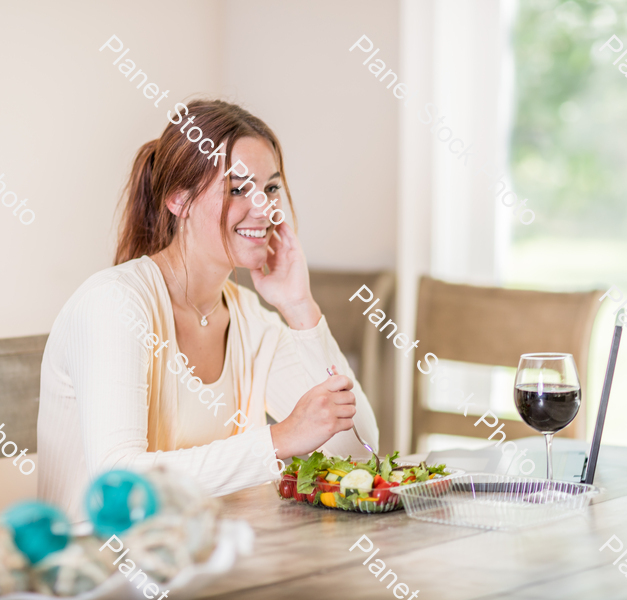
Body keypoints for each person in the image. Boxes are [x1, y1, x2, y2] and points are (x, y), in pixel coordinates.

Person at [37, 99, 379, 519]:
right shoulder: (115, 304)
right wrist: (279, 440)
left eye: (271, 188)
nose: (265, 207)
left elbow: (357, 452)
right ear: (178, 199)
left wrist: (299, 307)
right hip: (99, 573)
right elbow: (118, 484)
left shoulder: (249, 318)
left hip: (208, 566)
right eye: (238, 189)